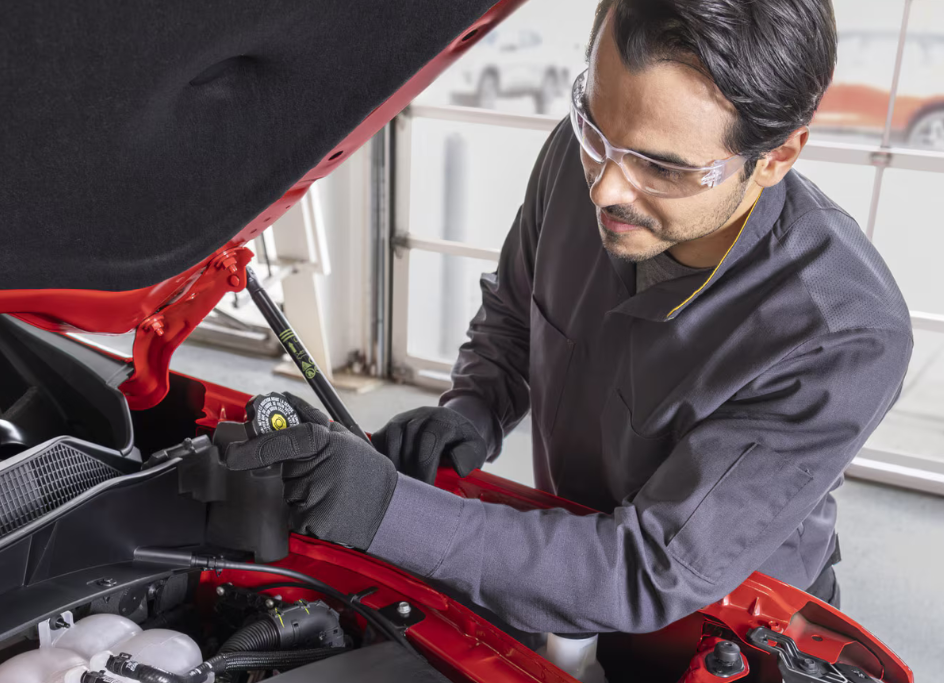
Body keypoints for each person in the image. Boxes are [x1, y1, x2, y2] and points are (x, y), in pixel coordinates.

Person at [224, 0, 913, 634]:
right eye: (595, 124)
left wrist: (383, 508)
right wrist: (470, 410)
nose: (606, 186)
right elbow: (516, 313)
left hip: (724, 626)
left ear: (779, 155)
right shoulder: (578, 156)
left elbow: (647, 569)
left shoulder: (842, 333)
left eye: (662, 168)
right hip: (567, 567)